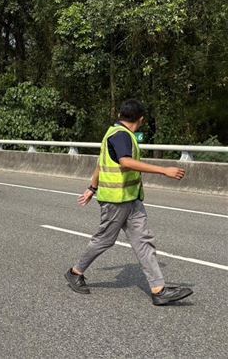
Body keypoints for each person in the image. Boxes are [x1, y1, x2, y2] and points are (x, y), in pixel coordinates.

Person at [65, 99, 193, 306]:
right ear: (141, 119)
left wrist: (91, 188)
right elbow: (125, 161)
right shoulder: (121, 136)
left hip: (131, 199)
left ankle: (158, 290)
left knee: (143, 241)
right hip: (115, 201)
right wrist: (163, 170)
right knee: (104, 240)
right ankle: (75, 272)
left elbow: (100, 164)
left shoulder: (114, 132)